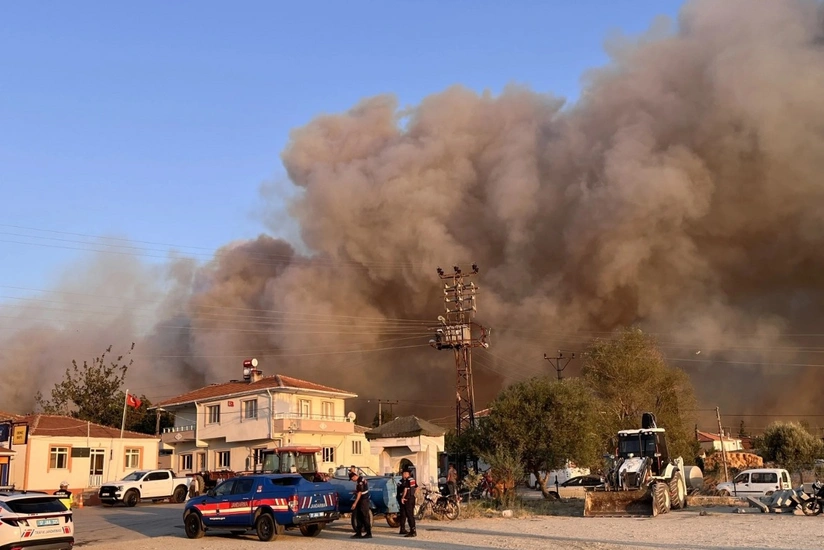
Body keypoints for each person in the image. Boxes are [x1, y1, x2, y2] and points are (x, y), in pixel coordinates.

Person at [349, 470, 372, 539]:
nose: (352, 480)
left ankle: (368, 533)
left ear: (354, 476)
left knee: (365, 517)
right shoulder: (361, 479)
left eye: (352, 479)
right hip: (362, 500)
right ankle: (358, 533)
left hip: (363, 501)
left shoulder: (360, 481)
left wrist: (355, 503)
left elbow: (360, 493)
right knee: (358, 516)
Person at [398, 466, 417, 537]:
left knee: (409, 516)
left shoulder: (407, 480)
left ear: (407, 473)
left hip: (407, 499)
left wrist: (403, 497)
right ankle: (411, 530)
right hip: (411, 498)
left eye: (404, 473)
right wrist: (412, 493)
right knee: (409, 515)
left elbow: (405, 489)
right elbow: (416, 487)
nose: (403, 475)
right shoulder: (412, 480)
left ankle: (412, 531)